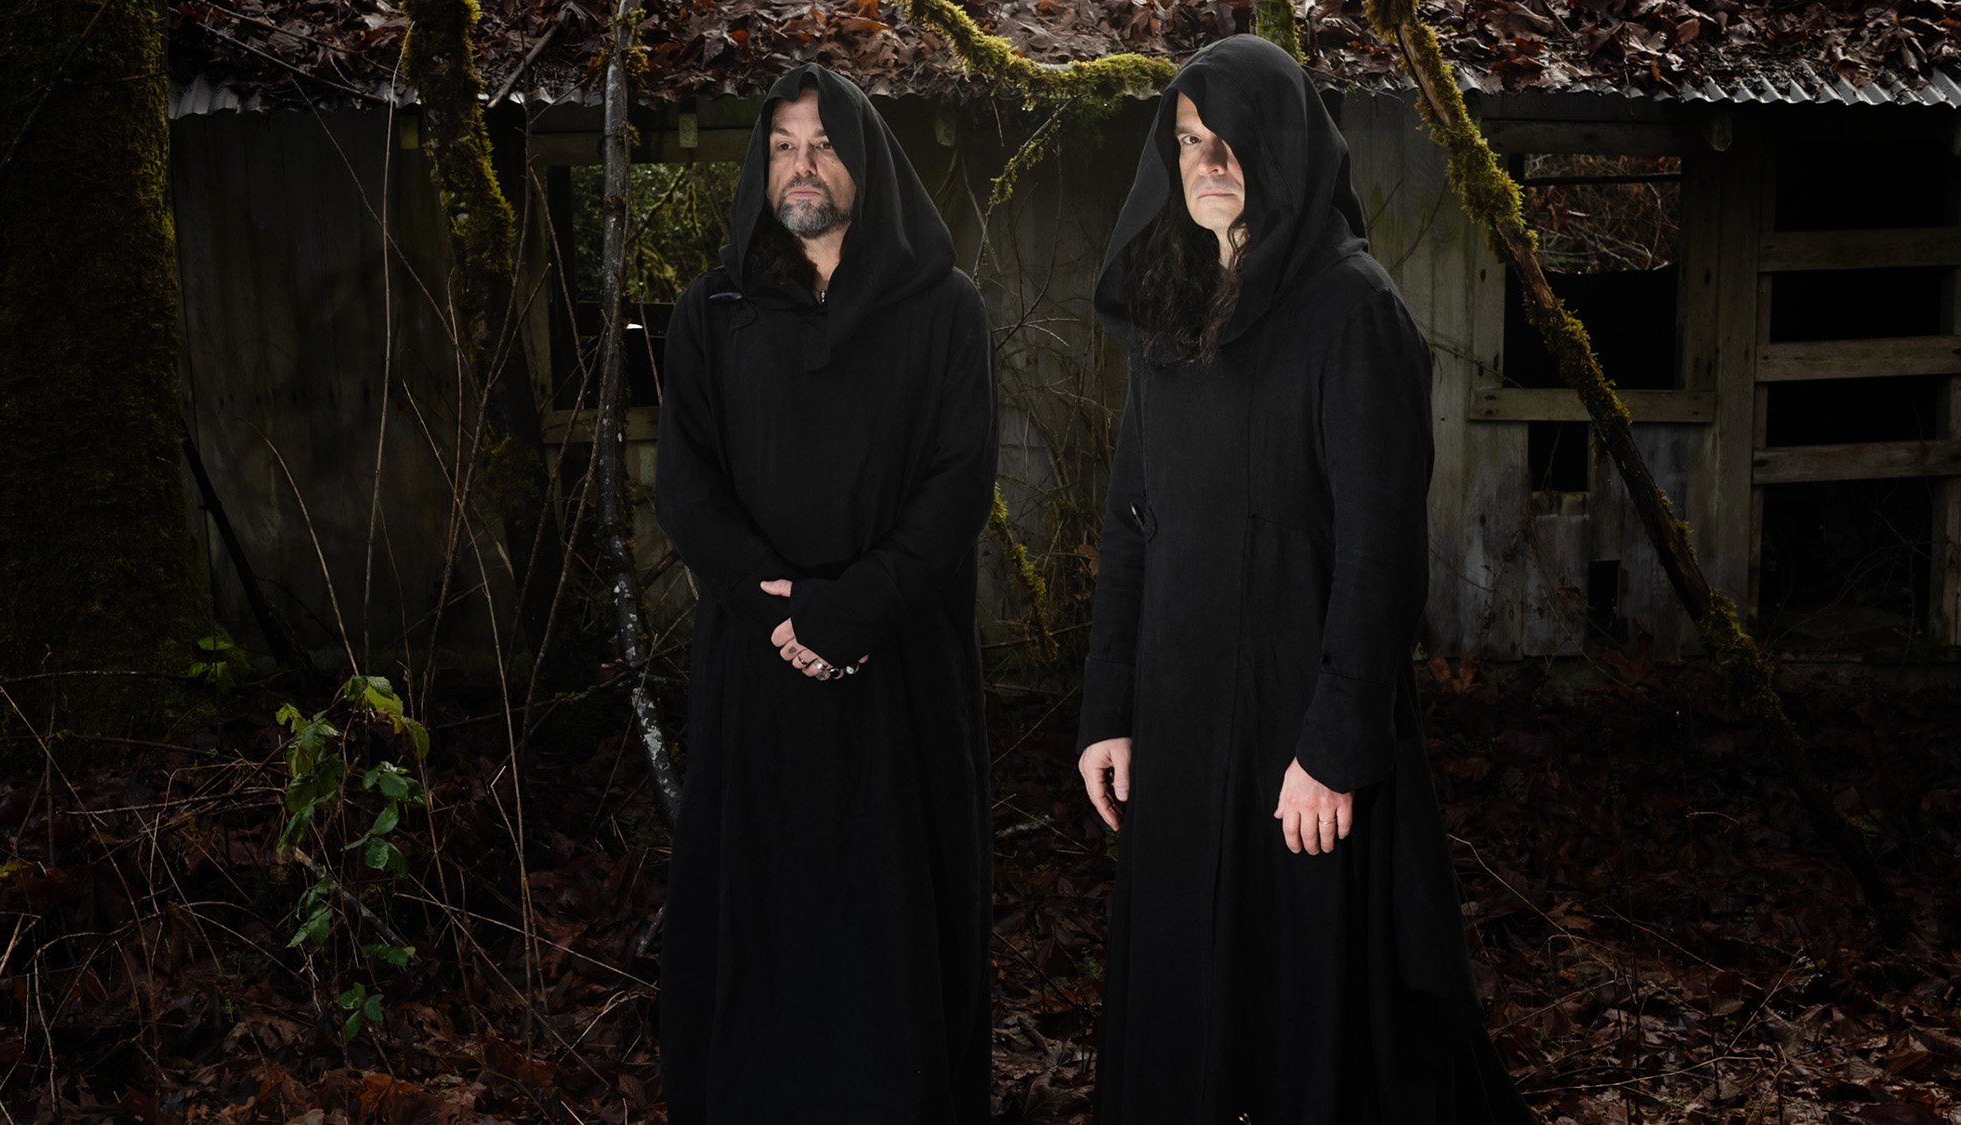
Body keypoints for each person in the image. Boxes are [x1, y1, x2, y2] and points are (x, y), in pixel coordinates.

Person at [1075, 35, 1536, 1125]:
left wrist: (1332, 749)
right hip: (1182, 722)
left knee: (1315, 1010)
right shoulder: (1171, 307)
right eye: (1188, 141)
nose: (1206, 162)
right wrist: (1109, 707)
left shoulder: (1352, 310)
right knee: (1188, 990)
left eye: (1229, 141)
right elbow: (1132, 525)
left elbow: (1380, 553)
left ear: (1283, 146)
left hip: (1301, 727)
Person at [651, 62, 998, 1123]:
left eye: (824, 144)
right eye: (783, 147)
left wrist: (848, 611)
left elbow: (958, 485)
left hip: (899, 672)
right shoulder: (712, 312)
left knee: (891, 914)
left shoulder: (943, 309)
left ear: (866, 163)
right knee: (764, 910)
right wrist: (780, 615)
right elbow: (686, 487)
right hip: (758, 676)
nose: (802, 166)